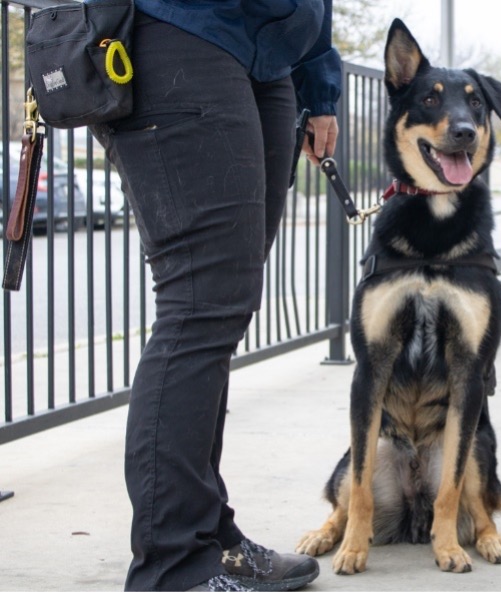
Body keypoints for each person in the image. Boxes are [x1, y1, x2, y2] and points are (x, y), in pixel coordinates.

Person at [89, 0, 341, 591]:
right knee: (200, 305)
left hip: (269, 55)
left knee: (224, 307)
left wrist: (319, 83)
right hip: (179, 27)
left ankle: (210, 535)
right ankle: (173, 564)